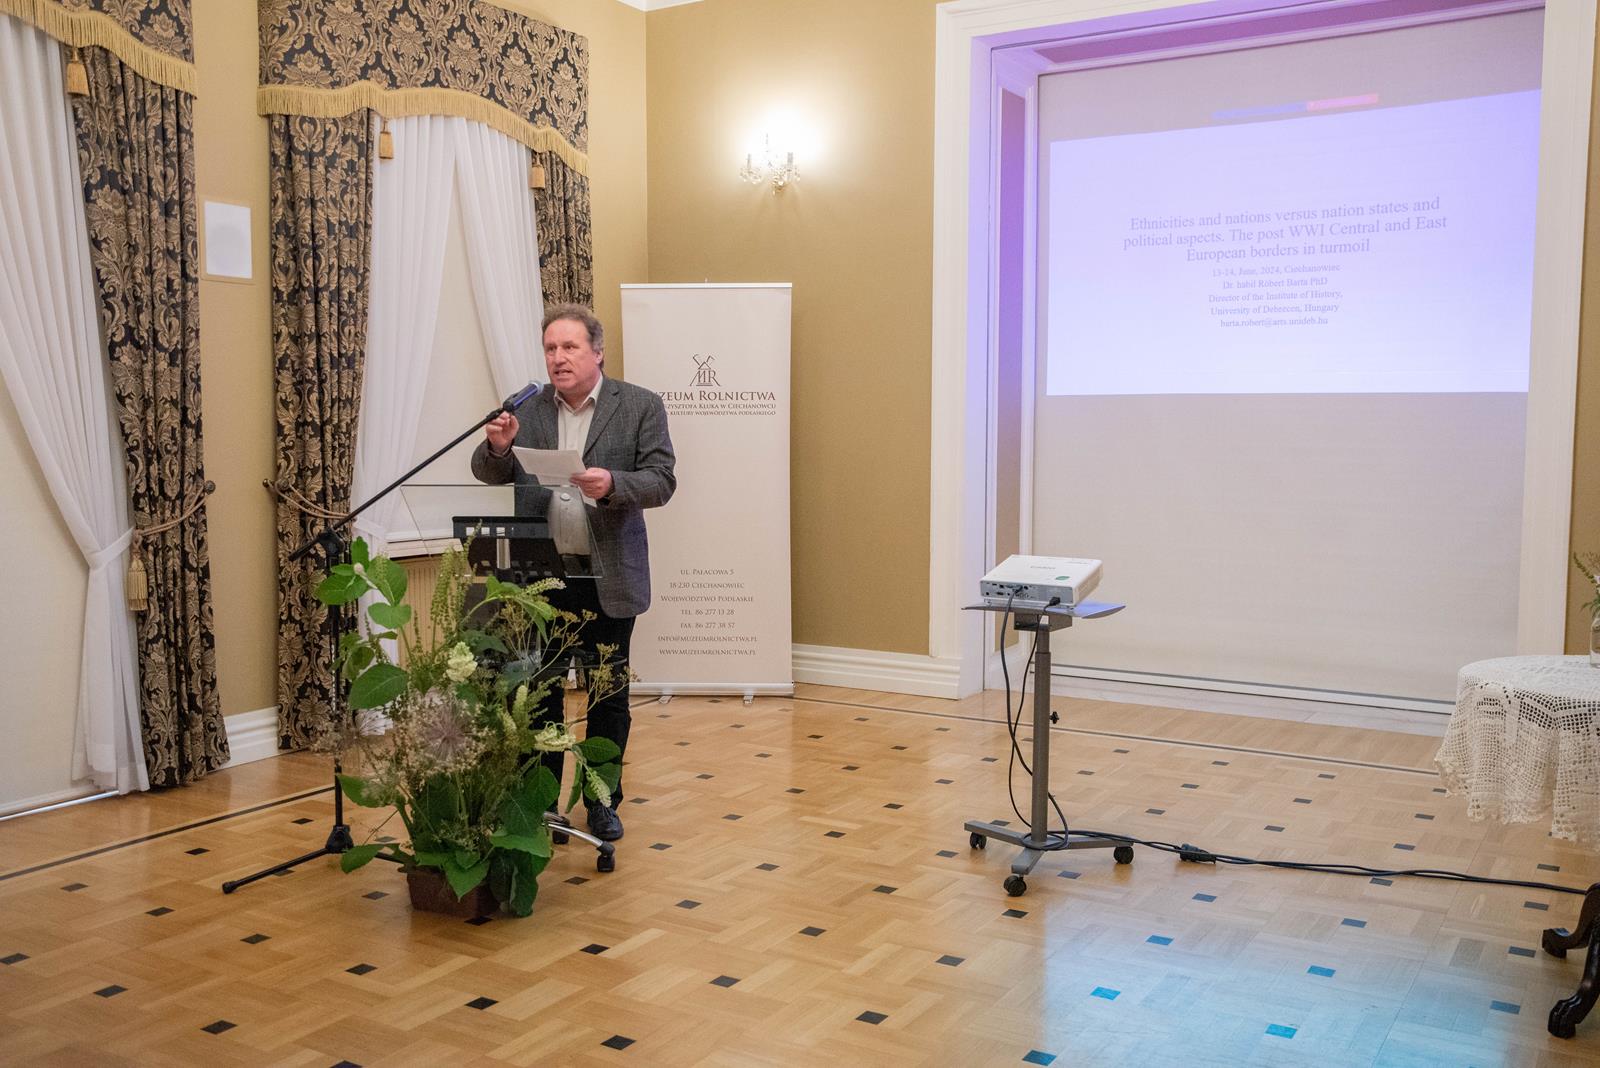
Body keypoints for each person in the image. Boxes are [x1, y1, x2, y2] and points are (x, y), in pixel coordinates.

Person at [471, 304, 676, 840]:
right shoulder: (529, 408)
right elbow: (489, 472)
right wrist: (498, 447)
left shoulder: (639, 405)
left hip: (609, 575)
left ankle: (602, 800)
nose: (558, 358)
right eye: (550, 348)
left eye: (569, 347)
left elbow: (662, 480)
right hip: (541, 577)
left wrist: (613, 485)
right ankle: (541, 805)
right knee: (539, 696)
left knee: (607, 697)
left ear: (597, 352)